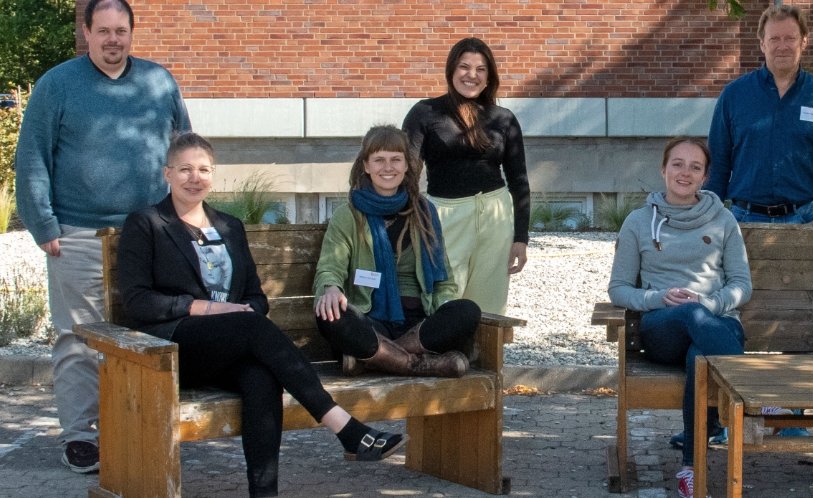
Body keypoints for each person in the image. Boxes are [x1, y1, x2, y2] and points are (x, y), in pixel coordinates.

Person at [117, 133, 405, 498]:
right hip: (172, 350)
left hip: (231, 345)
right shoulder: (147, 224)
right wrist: (211, 308)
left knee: (261, 376)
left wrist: (241, 313)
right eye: (185, 169)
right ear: (167, 174)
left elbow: (255, 297)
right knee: (252, 326)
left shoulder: (229, 227)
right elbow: (138, 301)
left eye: (203, 170)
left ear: (213, 174)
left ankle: (265, 493)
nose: (195, 178)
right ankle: (345, 428)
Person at [13, 0, 191, 473]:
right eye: (104, 31)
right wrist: (44, 226)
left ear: (132, 33)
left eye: (121, 31)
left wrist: (185, 215)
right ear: (87, 33)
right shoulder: (58, 85)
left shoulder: (158, 81)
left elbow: (184, 147)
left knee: (149, 332)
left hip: (152, 232)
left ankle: (143, 425)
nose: (113, 40)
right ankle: (81, 438)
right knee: (78, 339)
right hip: (77, 233)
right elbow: (32, 157)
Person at [608, 138, 753, 498]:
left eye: (695, 167)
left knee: (699, 358)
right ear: (663, 169)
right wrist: (658, 298)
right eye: (677, 164)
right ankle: (755, 392)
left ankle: (691, 469)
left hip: (717, 323)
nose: (684, 172)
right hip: (663, 329)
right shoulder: (639, 222)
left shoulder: (724, 220)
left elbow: (741, 285)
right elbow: (619, 288)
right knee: (688, 314)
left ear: (705, 176)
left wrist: (709, 302)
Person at [314, 125, 479, 378]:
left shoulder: (425, 212)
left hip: (419, 323)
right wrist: (331, 288)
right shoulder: (348, 216)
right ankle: (416, 364)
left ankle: (375, 360)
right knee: (331, 317)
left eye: (395, 160)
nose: (387, 167)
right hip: (371, 322)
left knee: (467, 311)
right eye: (379, 160)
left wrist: (445, 305)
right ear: (366, 166)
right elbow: (330, 267)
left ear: (406, 166)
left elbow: (443, 278)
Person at [401, 37, 530, 315]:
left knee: (490, 306)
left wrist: (521, 238)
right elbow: (407, 176)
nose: (471, 75)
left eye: (480, 69)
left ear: (488, 77)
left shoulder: (504, 119)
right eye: (464, 67)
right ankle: (444, 358)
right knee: (442, 301)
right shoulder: (424, 113)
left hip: (496, 217)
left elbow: (519, 182)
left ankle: (485, 358)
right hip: (444, 216)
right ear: (451, 70)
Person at [705, 4, 813, 226]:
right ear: (762, 43)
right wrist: (710, 212)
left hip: (805, 219)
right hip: (743, 219)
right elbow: (718, 158)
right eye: (774, 39)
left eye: (790, 38)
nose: (782, 46)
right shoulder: (734, 96)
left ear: (803, 41)